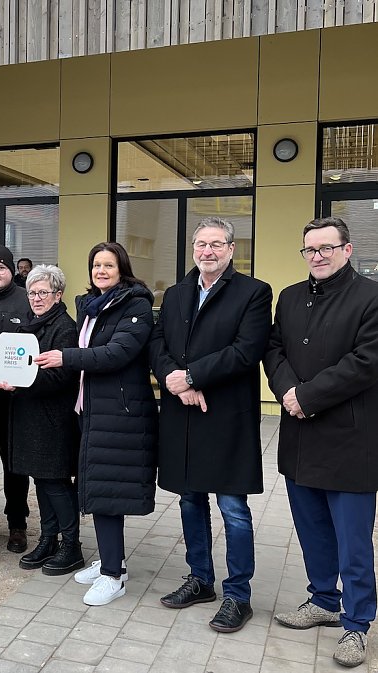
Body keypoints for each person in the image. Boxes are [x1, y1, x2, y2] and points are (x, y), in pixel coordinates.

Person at [264, 217, 378, 668]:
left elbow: (367, 361)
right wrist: (289, 392)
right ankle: (323, 601)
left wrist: (307, 396)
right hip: (299, 438)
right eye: (310, 249)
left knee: (353, 540)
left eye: (327, 248)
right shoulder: (290, 297)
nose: (318, 256)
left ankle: (357, 623)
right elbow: (273, 350)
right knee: (311, 529)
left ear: (347, 250)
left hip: (350, 438)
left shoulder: (371, 297)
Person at [149, 216, 272, 633]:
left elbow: (247, 350)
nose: (207, 251)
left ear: (231, 249)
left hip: (226, 417)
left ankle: (239, 595)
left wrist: (192, 376)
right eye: (201, 244)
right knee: (189, 500)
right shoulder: (177, 292)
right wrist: (173, 380)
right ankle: (200, 579)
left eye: (216, 244)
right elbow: (157, 343)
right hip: (184, 413)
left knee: (233, 509)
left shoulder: (253, 292)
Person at [36, 244, 157, 605]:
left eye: (109, 265)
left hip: (120, 414)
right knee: (99, 488)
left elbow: (117, 353)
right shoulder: (92, 305)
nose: (101, 270)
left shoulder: (135, 305)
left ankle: (113, 577)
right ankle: (110, 558)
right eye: (96, 265)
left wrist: (64, 357)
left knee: (107, 493)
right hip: (91, 409)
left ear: (122, 269)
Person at [0, 265, 82, 576]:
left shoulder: (64, 328)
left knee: (56, 483)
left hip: (52, 419)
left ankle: (71, 545)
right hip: (29, 417)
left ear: (58, 295)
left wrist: (22, 382)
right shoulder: (30, 325)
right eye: (32, 293)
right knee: (41, 481)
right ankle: (48, 539)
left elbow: (62, 377)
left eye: (43, 293)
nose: (36, 298)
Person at [0, 243, 31, 553]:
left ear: (12, 270)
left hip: (16, 401)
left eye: (0, 267)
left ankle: (17, 524)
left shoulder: (26, 300)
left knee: (15, 467)